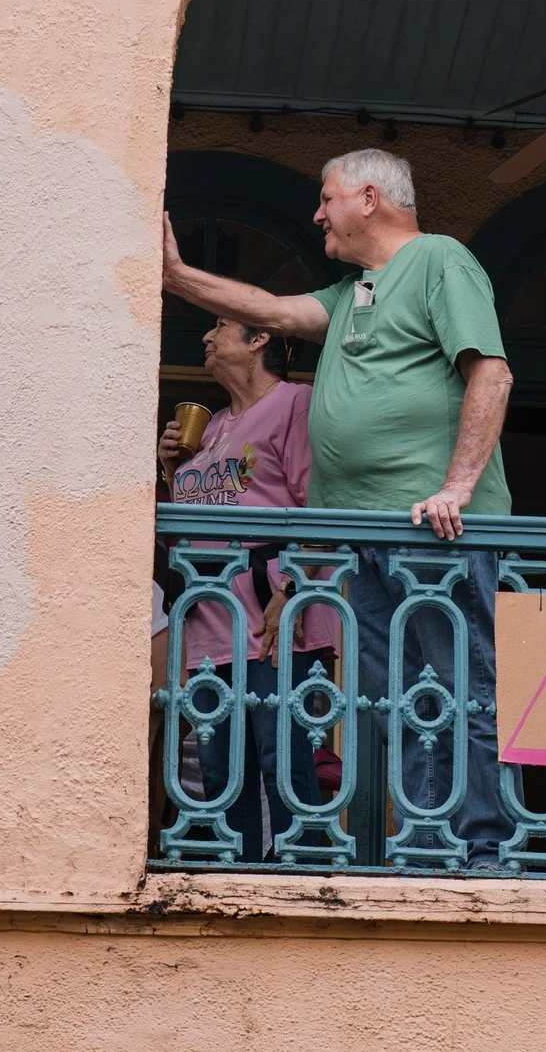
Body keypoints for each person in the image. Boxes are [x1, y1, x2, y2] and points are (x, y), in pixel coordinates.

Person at [160, 148, 517, 867]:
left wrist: (457, 485)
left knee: (460, 689)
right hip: (357, 537)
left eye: (327, 199)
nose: (318, 213)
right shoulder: (352, 291)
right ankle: (424, 840)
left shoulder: (440, 261)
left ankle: (481, 847)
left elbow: (493, 372)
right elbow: (267, 307)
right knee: (392, 703)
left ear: (369, 196)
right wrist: (177, 277)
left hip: (433, 527)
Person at [155, 316, 339, 861]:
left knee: (281, 755)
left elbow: (320, 503)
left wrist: (292, 588)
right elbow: (191, 530)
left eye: (220, 327)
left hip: (271, 614)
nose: (207, 337)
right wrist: (172, 474)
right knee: (218, 764)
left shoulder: (294, 404)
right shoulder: (209, 429)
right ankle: (238, 872)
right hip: (209, 617)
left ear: (260, 340)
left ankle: (299, 874)